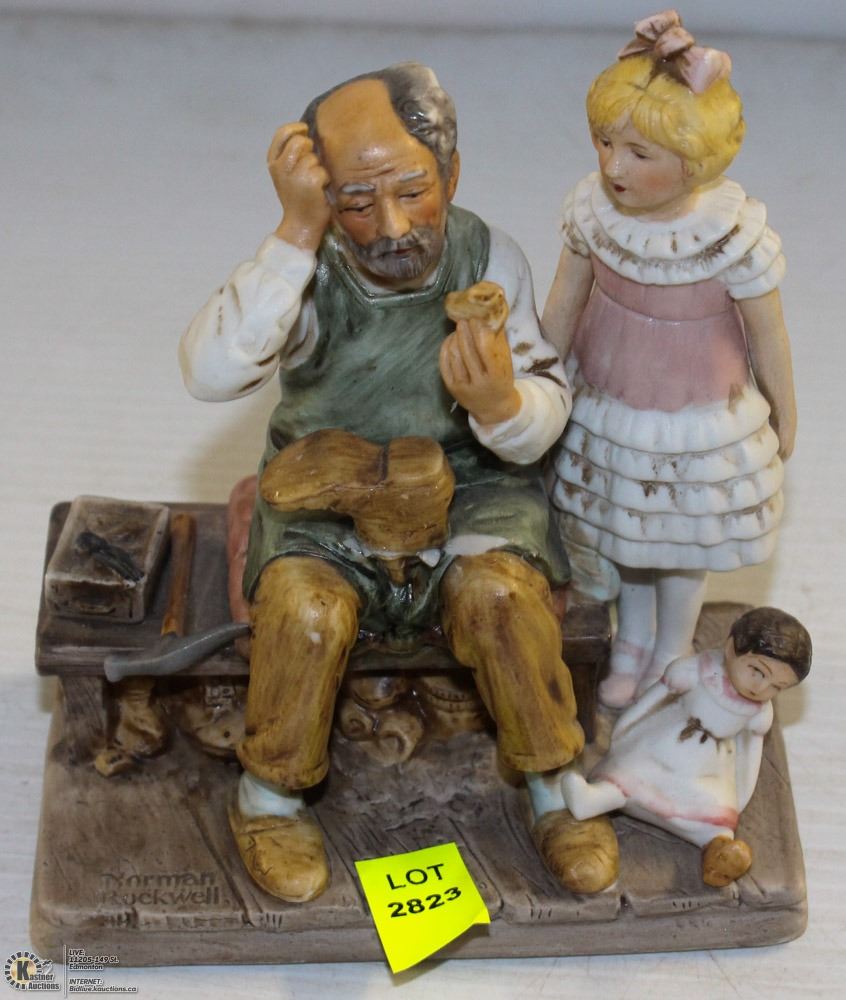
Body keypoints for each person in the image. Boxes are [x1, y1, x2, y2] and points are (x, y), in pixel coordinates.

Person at [180, 63, 617, 902]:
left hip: (470, 485)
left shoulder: (490, 259)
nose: (389, 227)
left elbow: (546, 405)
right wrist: (293, 237)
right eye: (355, 203)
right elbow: (209, 372)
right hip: (327, 495)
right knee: (306, 613)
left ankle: (555, 785)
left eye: (413, 192)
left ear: (450, 172)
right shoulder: (306, 272)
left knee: (503, 598)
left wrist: (500, 405)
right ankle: (271, 796)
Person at [542, 11, 797, 709]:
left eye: (639, 153)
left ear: (695, 161)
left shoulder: (730, 235)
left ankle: (671, 647)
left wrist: (784, 411)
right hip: (610, 399)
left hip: (697, 414)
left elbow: (768, 333)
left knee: (683, 543)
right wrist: (541, 379)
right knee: (626, 527)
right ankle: (630, 640)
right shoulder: (593, 214)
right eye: (604, 142)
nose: (612, 166)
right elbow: (562, 304)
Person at [561, 607, 811, 887]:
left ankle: (718, 850)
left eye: (777, 686)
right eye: (757, 671)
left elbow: (749, 756)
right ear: (731, 648)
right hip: (665, 745)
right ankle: (592, 799)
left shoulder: (758, 713)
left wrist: (738, 799)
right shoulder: (698, 671)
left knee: (715, 814)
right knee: (632, 772)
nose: (761, 688)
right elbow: (652, 700)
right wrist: (624, 730)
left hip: (707, 769)